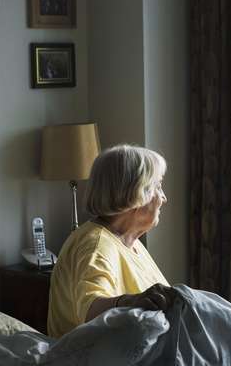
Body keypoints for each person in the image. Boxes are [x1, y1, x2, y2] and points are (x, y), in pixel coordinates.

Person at [47, 144, 177, 338]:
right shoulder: (96, 245)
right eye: (157, 186)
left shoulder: (129, 242)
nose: (163, 198)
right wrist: (132, 302)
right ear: (136, 193)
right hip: (93, 362)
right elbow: (91, 311)